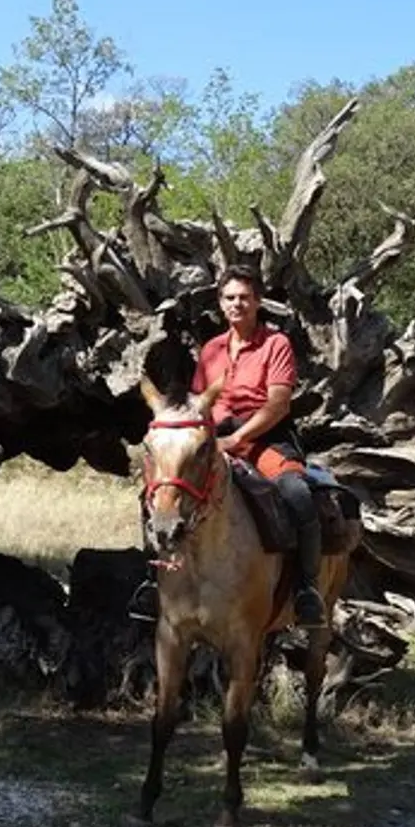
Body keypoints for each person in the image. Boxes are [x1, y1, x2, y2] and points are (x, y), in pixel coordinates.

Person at [131, 263, 326, 626]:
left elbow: (278, 404)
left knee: (296, 492)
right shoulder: (211, 350)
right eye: (230, 298)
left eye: (244, 298)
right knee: (157, 492)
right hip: (215, 440)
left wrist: (238, 437)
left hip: (264, 439)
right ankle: (153, 580)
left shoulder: (276, 344)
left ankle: (306, 591)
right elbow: (199, 403)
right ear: (221, 304)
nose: (237, 304)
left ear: (258, 302)